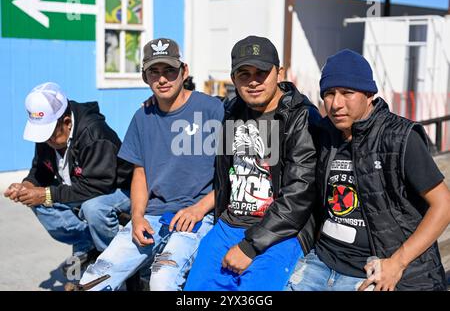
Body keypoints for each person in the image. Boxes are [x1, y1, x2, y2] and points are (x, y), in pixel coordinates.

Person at [286, 49, 450, 291]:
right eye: (329, 94)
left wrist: (398, 262)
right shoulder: (324, 134)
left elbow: (444, 205)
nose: (336, 104)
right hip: (320, 262)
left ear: (370, 94)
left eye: (347, 93)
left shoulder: (399, 138)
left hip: (371, 270)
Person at [78, 38, 224, 291]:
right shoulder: (142, 117)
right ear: (145, 77)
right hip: (154, 216)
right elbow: (141, 173)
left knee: (161, 280)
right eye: (154, 72)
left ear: (184, 71)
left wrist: (200, 209)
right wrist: (136, 217)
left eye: (169, 70)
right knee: (92, 281)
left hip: (198, 217)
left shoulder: (212, 109)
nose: (162, 79)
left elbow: (236, 173)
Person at [184, 35, 321, 291]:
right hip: (229, 224)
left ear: (279, 73)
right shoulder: (232, 110)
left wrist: (250, 246)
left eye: (262, 72)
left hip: (281, 231)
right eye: (244, 74)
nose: (254, 81)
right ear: (233, 78)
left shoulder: (301, 116)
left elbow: (300, 193)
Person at [3, 82, 133, 272]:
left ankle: (117, 263)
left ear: (67, 122)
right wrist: (28, 185)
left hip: (121, 190)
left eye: (49, 134)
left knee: (93, 208)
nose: (46, 140)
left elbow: (97, 187)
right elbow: (41, 170)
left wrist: (46, 194)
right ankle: (88, 242)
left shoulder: (95, 134)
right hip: (86, 188)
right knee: (35, 199)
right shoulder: (49, 137)